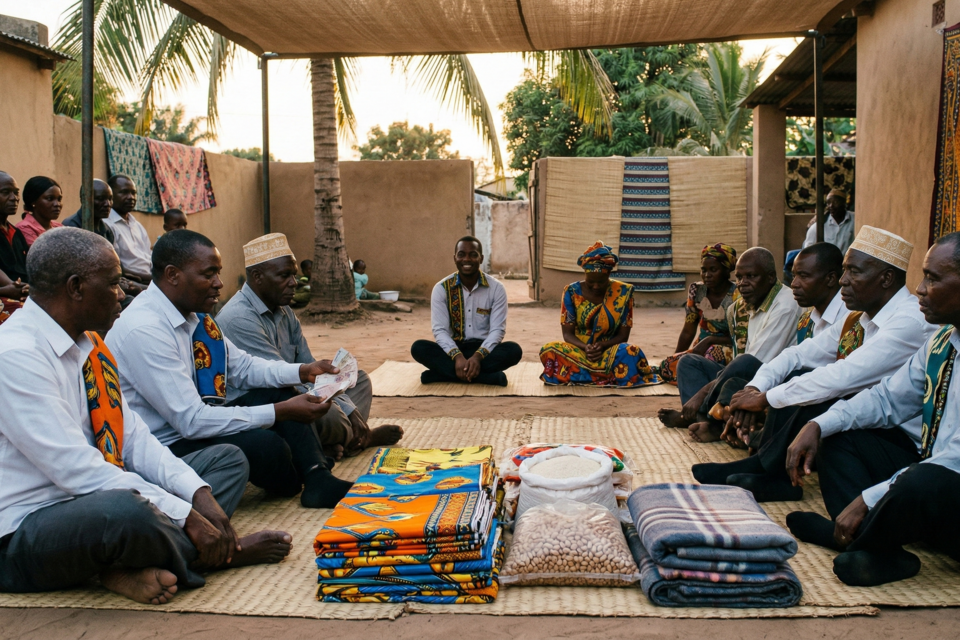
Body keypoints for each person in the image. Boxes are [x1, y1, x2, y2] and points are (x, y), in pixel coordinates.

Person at [0, 228, 291, 605]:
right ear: (76, 287)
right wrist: (185, 515)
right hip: (23, 530)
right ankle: (215, 554)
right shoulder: (16, 355)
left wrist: (197, 495)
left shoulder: (88, 345)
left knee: (217, 469)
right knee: (125, 510)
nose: (122, 294)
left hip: (91, 499)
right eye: (113, 283)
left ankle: (127, 563)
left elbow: (133, 437)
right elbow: (78, 472)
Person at [106, 230, 353, 509]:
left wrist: (303, 372)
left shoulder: (195, 318)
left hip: (195, 423)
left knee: (281, 392)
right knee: (266, 446)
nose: (219, 283)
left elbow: (242, 366)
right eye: (209, 274)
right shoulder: (145, 329)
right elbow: (191, 421)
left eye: (218, 273)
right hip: (166, 445)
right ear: (173, 275)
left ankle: (317, 477)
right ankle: (295, 475)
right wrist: (279, 412)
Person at [692, 227, 935, 503]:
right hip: (867, 417)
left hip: (901, 439)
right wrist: (755, 389)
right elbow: (797, 354)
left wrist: (765, 399)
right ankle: (768, 467)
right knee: (796, 376)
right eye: (844, 270)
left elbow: (844, 376)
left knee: (816, 392)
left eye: (853, 272)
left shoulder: (909, 322)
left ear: (886, 279)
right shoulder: (859, 318)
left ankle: (768, 470)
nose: (843, 280)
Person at [783, 233, 960, 587]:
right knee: (839, 435)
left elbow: (954, 459)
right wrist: (818, 425)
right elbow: (886, 399)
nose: (920, 289)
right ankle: (872, 545)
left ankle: (854, 538)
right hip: (932, 482)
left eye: (933, 278)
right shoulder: (942, 340)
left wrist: (868, 497)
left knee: (924, 478)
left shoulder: (913, 323)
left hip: (945, 484)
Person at [217, 233, 403, 460]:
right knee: (329, 414)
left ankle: (339, 440)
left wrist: (349, 408)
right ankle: (358, 438)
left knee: (360, 380)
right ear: (257, 277)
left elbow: (311, 371)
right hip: (265, 409)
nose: (294, 283)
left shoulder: (285, 311)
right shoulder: (239, 318)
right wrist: (341, 407)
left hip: (297, 392)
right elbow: (279, 383)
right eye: (284, 276)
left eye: (293, 275)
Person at [682, 243, 846, 446]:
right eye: (739, 278)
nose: (794, 284)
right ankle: (732, 422)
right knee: (703, 369)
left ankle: (714, 419)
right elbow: (792, 356)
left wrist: (759, 397)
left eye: (751, 276)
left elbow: (756, 362)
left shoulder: (789, 307)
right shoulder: (805, 317)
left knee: (746, 370)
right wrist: (752, 393)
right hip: (774, 378)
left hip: (811, 390)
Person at [658, 247, 800, 441]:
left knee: (740, 365)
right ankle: (703, 417)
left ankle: (707, 418)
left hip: (768, 381)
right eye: (739, 278)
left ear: (770, 277)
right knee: (688, 362)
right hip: (744, 376)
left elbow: (752, 364)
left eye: (751, 276)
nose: (743, 284)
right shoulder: (744, 305)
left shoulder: (784, 307)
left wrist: (701, 394)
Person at [540, 241, 660, 387]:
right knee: (549, 349)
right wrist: (586, 347)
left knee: (631, 351)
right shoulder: (571, 292)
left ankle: (582, 375)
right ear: (585, 274)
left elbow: (623, 336)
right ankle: (608, 375)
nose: (596, 286)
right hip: (579, 351)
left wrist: (602, 346)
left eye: (601, 282)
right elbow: (567, 334)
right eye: (591, 282)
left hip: (609, 352)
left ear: (609, 274)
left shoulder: (623, 293)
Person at [411, 236, 522, 386]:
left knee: (514, 350)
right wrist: (457, 356)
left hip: (484, 351)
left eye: (473, 254)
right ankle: (487, 378)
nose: (467, 259)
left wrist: (477, 357)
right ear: (455, 258)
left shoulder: (496, 288)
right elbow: (440, 330)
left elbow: (497, 330)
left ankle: (443, 375)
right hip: (453, 349)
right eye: (461, 254)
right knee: (418, 348)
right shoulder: (442, 288)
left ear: (481, 258)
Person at [659, 243, 739, 384]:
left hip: (730, 347)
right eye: (703, 270)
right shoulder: (696, 291)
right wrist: (676, 357)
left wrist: (710, 340)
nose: (707, 275)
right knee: (666, 366)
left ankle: (713, 382)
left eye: (713, 270)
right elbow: (688, 331)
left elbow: (742, 336)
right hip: (701, 348)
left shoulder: (738, 294)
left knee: (712, 355)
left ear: (727, 271)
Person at [103, 174, 153, 296]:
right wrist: (155, 279)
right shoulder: (107, 225)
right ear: (111, 195)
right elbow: (117, 267)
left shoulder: (137, 225)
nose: (131, 197)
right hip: (133, 281)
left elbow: (149, 257)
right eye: (124, 192)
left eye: (133, 193)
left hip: (152, 278)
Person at [792, 243, 845, 344]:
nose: (794, 284)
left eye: (803, 276)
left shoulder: (852, 319)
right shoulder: (806, 321)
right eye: (794, 276)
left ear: (831, 279)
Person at [62, 179, 116, 244]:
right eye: (100, 199)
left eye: (110, 199)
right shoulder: (71, 227)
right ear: (83, 200)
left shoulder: (107, 231)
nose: (107, 204)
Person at [802, 189, 855, 255]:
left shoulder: (854, 218)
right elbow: (808, 249)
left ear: (844, 203)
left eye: (835, 202)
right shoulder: (820, 224)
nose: (831, 205)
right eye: (828, 203)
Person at [0, 172, 29, 286]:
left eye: (16, 193)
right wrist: (14, 286)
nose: (14, 198)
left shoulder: (16, 233)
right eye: (5, 192)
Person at [16, 176, 63, 246]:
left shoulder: (59, 227)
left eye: (59, 199)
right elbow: (41, 252)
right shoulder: (24, 228)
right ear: (33, 202)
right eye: (50, 199)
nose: (57, 204)